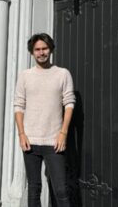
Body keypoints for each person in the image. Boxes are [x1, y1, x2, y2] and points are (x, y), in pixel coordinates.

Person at [14, 33, 75, 207]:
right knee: (34, 189)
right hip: (30, 141)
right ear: (32, 52)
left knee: (61, 190)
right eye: (37, 49)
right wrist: (21, 134)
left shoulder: (62, 74)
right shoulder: (25, 76)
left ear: (51, 49)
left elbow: (69, 104)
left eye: (45, 48)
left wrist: (63, 133)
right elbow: (18, 106)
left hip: (54, 141)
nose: (41, 53)